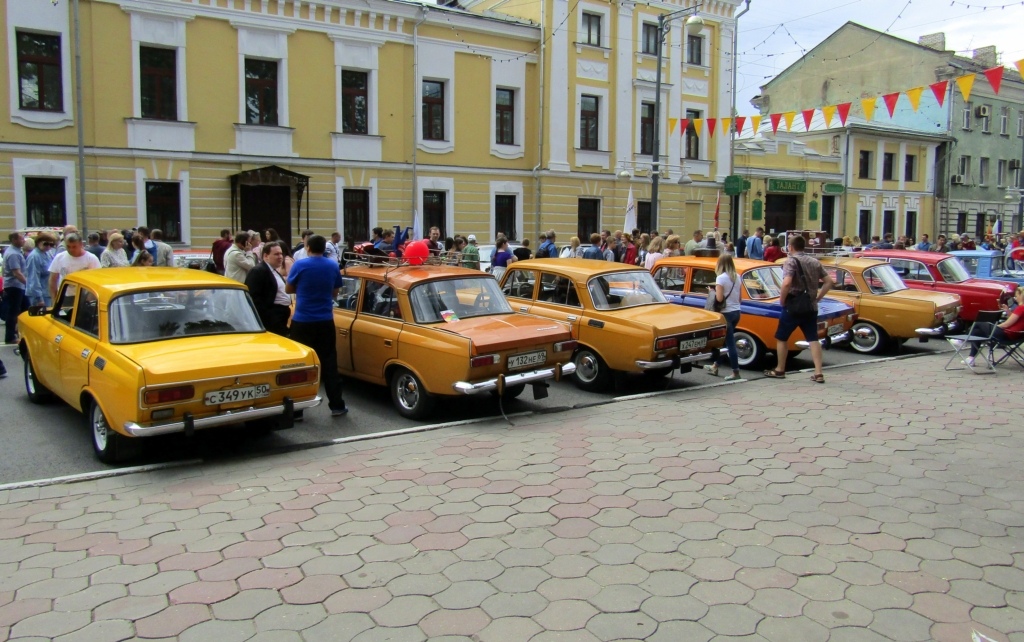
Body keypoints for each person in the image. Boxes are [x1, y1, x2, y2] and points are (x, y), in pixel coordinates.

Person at [286, 234, 347, 417]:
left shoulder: (300, 265)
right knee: (329, 363)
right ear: (324, 248)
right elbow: (335, 292)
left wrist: (305, 288)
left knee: (300, 365)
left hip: (302, 320)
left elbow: (288, 288)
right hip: (325, 320)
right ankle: (337, 405)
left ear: (308, 248)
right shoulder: (332, 265)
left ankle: (297, 410)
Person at [764, 235, 834, 383]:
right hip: (810, 305)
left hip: (793, 305)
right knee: (813, 338)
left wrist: (782, 300)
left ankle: (780, 369)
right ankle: (818, 372)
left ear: (791, 247)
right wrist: (818, 297)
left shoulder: (791, 261)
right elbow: (829, 281)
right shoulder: (814, 262)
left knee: (782, 337)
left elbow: (787, 283)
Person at [958, 286, 1024, 370]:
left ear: (1021, 296)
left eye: (1016, 296)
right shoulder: (1021, 309)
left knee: (979, 322)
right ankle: (971, 358)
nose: (1015, 298)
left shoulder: (1021, 308)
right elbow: (1016, 320)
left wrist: (995, 326)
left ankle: (963, 340)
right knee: (977, 332)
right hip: (1017, 336)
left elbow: (1006, 324)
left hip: (1006, 335)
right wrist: (1007, 311)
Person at [703, 253, 742, 382]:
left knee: (730, 343)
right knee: (725, 341)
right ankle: (715, 366)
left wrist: (711, 291)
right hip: (737, 311)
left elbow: (719, 298)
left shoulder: (720, 278)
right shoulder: (738, 277)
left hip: (726, 313)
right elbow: (740, 298)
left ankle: (735, 372)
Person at [246, 241, 291, 337]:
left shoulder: (273, 270)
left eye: (281, 254)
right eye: (276, 254)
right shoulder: (258, 271)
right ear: (266, 256)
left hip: (280, 316)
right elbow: (253, 297)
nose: (280, 257)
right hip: (272, 317)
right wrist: (269, 315)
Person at [48, 233, 100, 300]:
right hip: (64, 297)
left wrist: (90, 299)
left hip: (85, 298)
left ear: (81, 245)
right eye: (68, 246)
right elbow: (53, 279)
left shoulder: (91, 258)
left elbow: (97, 281)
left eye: (74, 247)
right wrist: (54, 298)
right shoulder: (59, 257)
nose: (71, 249)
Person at [3, 233, 28, 344]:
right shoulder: (13, 254)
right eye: (21, 239)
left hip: (18, 286)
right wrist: (28, 284)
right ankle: (10, 337)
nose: (24, 241)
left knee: (25, 310)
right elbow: (16, 273)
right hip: (15, 286)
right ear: (14, 240)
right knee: (13, 311)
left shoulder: (16, 252)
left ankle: (21, 332)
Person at [25, 233, 56, 308]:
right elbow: (33, 278)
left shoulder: (48, 253)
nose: (48, 246)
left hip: (47, 292)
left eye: (51, 245)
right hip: (39, 295)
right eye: (46, 244)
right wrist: (39, 299)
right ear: (38, 242)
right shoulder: (34, 256)